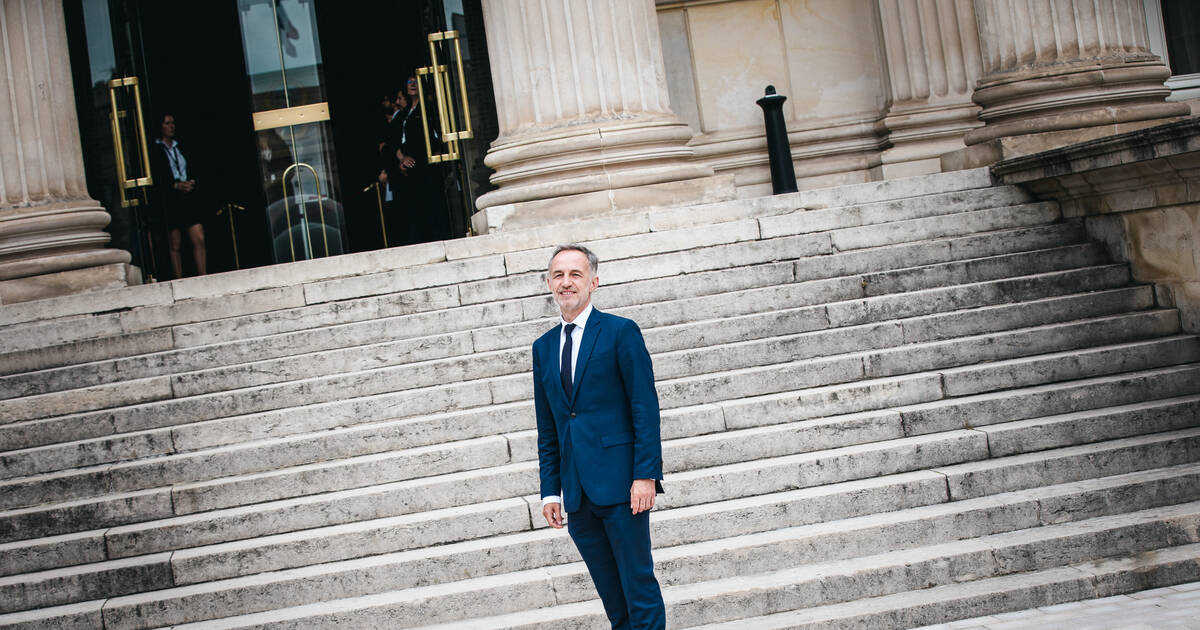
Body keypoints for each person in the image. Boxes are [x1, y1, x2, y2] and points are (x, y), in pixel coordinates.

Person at [533, 244, 667, 630]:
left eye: (575, 274)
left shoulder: (620, 332)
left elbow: (644, 406)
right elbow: (549, 427)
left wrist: (645, 475)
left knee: (639, 588)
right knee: (613, 599)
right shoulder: (543, 348)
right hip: (577, 496)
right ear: (549, 284)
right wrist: (550, 491)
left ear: (594, 281)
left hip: (623, 487)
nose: (566, 282)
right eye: (558, 275)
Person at [149, 113, 207, 278]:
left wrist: (191, 182)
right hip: (171, 197)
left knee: (199, 237)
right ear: (160, 126)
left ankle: (203, 275)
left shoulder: (180, 145)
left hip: (187, 195)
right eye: (167, 123)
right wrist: (175, 185)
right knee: (175, 243)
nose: (171, 126)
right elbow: (157, 177)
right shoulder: (156, 149)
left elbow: (193, 164)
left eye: (173, 123)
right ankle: (179, 279)